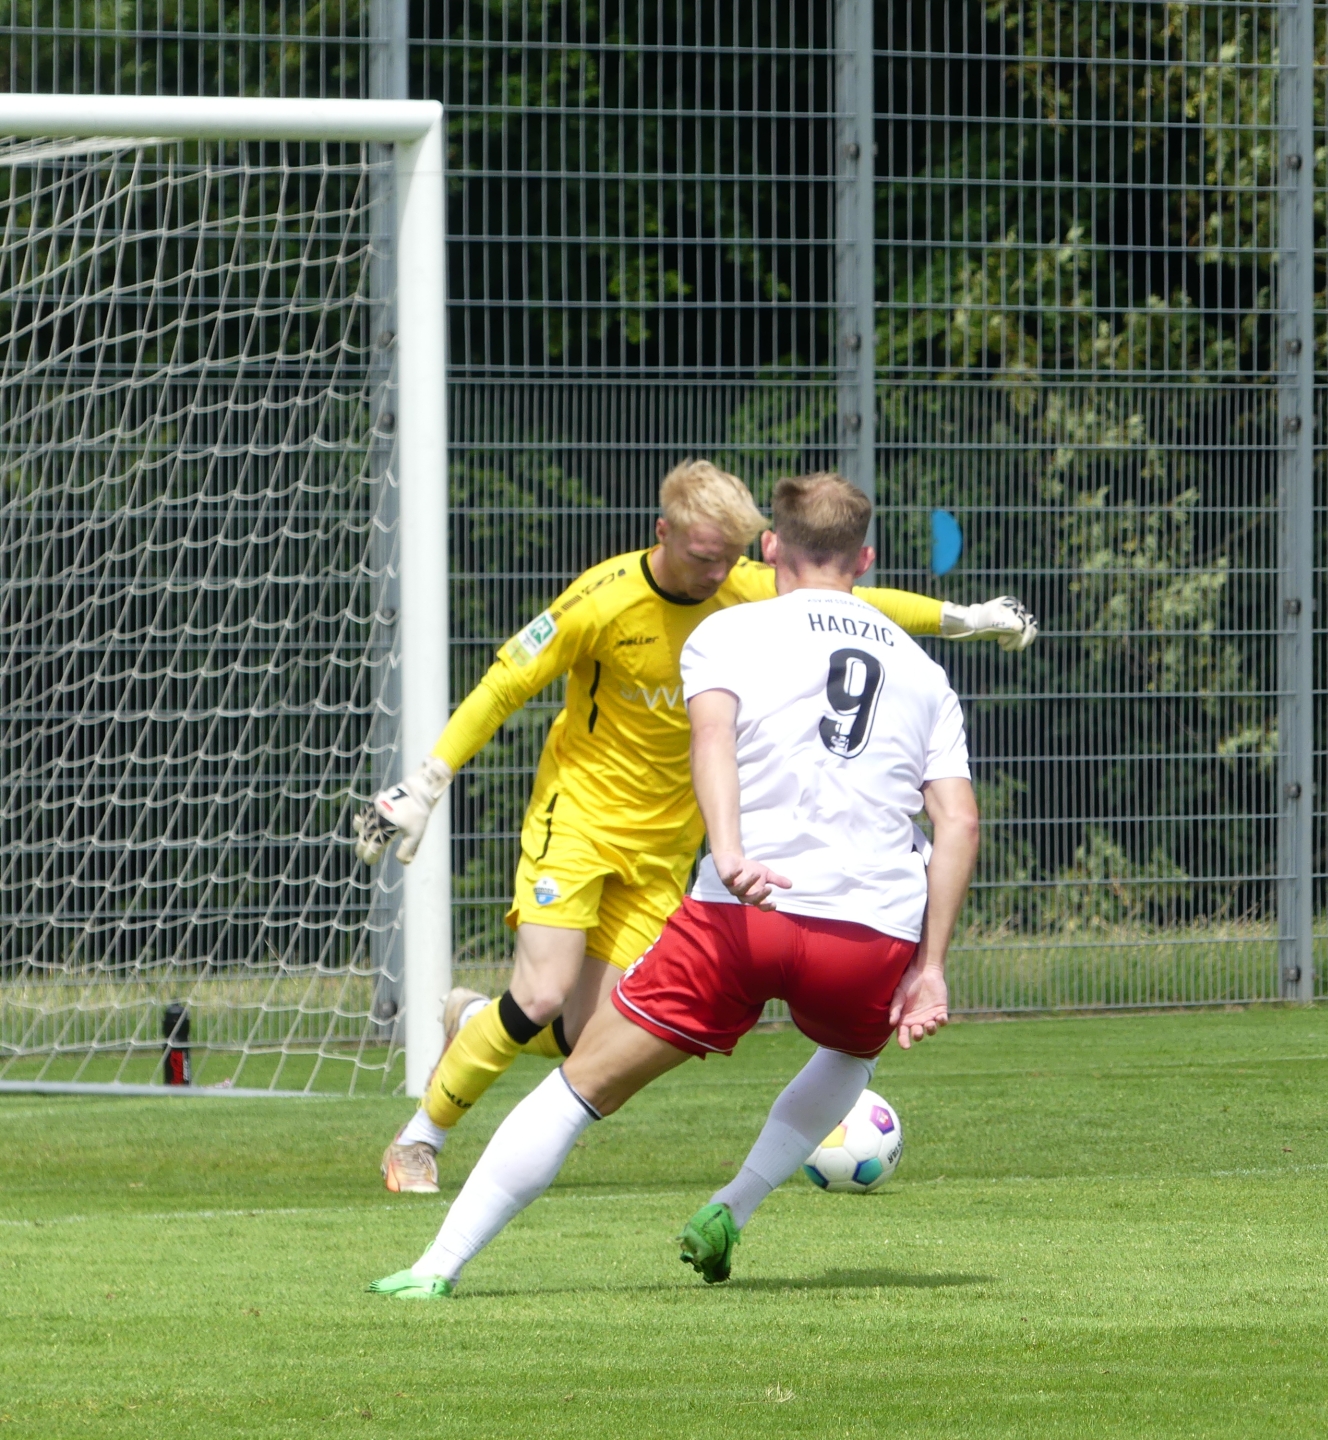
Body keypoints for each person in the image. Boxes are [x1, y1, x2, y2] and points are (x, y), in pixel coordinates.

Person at [368, 470, 978, 1298]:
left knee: (581, 1073)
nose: (718, 572)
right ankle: (716, 1201)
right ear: (865, 558)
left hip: (726, 899)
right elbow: (957, 823)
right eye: (704, 556)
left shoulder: (732, 623)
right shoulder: (922, 673)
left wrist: (729, 854)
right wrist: (930, 965)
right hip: (823, 916)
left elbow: (717, 737)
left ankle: (438, 1258)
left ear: (768, 549)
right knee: (840, 1049)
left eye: (734, 558)